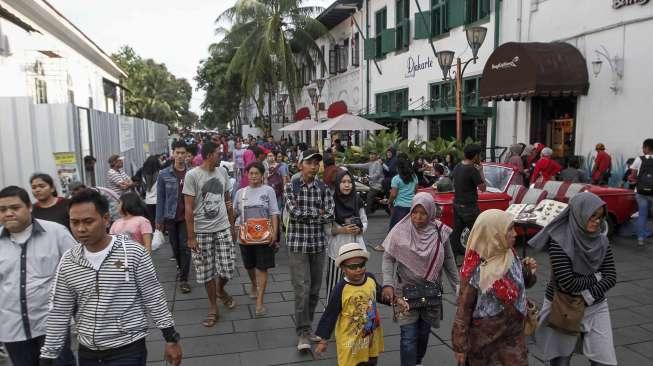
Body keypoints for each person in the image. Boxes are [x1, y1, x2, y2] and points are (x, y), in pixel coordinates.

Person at [39, 189, 182, 366]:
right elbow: (59, 309)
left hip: (127, 348)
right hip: (87, 351)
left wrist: (170, 338)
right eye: (74, 222)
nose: (80, 229)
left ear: (106, 219)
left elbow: (153, 296)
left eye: (88, 221)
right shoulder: (69, 261)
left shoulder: (133, 253)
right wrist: (48, 355)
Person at [529, 192, 617, 366]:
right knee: (560, 360)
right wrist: (597, 276)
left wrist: (588, 295)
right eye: (592, 216)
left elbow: (612, 276)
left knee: (604, 360)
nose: (597, 221)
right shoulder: (560, 241)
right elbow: (568, 283)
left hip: (595, 305)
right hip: (562, 305)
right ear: (579, 214)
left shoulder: (601, 241)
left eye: (600, 217)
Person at [0, 186, 76, 366]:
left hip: (51, 325)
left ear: (29, 207)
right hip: (12, 329)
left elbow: (78, 271)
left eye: (15, 208)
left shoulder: (56, 233)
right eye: (2, 210)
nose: (9, 213)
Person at [381, 192, 459, 366]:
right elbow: (388, 258)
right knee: (408, 337)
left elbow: (448, 260)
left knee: (423, 334)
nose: (418, 217)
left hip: (430, 294)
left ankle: (417, 361)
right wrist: (387, 283)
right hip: (404, 293)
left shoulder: (440, 232)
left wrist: (458, 286)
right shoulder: (400, 230)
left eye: (423, 213)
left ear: (431, 212)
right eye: (414, 212)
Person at [452, 209, 538, 366]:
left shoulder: (510, 255)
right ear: (494, 233)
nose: (515, 234)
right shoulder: (475, 268)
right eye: (509, 229)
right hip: (484, 345)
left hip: (513, 340)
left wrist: (529, 273)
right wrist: (460, 347)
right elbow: (463, 310)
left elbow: (521, 284)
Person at [315, 244, 404, 366]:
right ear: (343, 268)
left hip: (371, 335)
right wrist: (323, 340)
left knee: (371, 361)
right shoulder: (340, 289)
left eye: (361, 265)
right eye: (353, 267)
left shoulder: (370, 279)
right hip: (350, 340)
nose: (358, 269)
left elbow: (381, 295)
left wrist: (396, 300)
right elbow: (330, 314)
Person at [284, 149, 335, 351]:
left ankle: (309, 325)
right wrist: (317, 212)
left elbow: (330, 213)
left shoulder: (323, 188)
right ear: (300, 165)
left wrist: (313, 214)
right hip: (297, 245)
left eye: (316, 163)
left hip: (317, 244)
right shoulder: (291, 187)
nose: (314, 166)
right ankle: (303, 332)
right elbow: (294, 213)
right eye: (310, 162)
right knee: (302, 290)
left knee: (314, 290)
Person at [183, 141, 237, 327]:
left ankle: (220, 290)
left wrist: (232, 224)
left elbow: (228, 200)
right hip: (201, 232)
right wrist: (191, 237)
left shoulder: (222, 172)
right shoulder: (192, 175)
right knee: (206, 272)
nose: (221, 156)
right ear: (208, 155)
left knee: (228, 268)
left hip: (222, 228)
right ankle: (213, 307)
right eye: (218, 153)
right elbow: (188, 208)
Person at [234, 162, 280, 317]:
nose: (253, 176)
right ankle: (254, 284)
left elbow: (274, 212)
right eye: (251, 173)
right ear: (247, 175)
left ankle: (260, 301)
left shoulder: (268, 191)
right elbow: (234, 213)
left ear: (262, 175)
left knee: (262, 267)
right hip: (245, 237)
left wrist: (275, 232)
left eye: (256, 173)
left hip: (264, 237)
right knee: (249, 265)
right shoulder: (241, 192)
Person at [156, 140, 193, 293]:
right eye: (177, 153)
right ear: (173, 154)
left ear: (187, 155)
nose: (179, 156)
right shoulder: (164, 174)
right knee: (175, 246)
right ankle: (180, 266)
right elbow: (161, 197)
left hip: (187, 216)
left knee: (185, 247)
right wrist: (158, 220)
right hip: (170, 216)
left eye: (182, 153)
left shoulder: (192, 173)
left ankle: (184, 279)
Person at [325, 170, 367, 301]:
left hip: (356, 248)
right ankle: (332, 314)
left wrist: (359, 230)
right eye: (343, 182)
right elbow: (327, 229)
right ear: (337, 184)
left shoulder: (357, 200)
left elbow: (364, 221)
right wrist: (342, 230)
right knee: (334, 286)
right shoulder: (331, 201)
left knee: (355, 284)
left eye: (349, 182)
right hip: (337, 249)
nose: (347, 185)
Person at [451, 144, 486, 256]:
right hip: (469, 207)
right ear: (475, 156)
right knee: (479, 232)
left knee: (456, 233)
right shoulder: (472, 169)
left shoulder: (458, 166)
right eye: (479, 155)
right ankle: (482, 258)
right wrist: (481, 170)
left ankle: (451, 259)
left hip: (457, 204)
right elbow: (483, 188)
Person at [628, 138, 653, 247]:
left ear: (647, 148)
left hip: (641, 192)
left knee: (642, 215)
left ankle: (640, 239)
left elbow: (633, 175)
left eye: (643, 147)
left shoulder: (639, 159)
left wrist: (632, 178)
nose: (642, 149)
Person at [388, 155, 417, 230]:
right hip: (412, 206)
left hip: (400, 208)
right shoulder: (414, 177)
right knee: (411, 229)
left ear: (398, 168)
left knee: (397, 229)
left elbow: (393, 194)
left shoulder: (396, 179)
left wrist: (389, 202)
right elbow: (415, 191)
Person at [141, 155, 162, 229]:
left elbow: (143, 189)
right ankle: (160, 236)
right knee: (159, 222)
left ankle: (153, 237)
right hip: (159, 201)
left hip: (148, 201)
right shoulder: (160, 173)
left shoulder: (143, 175)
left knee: (151, 222)